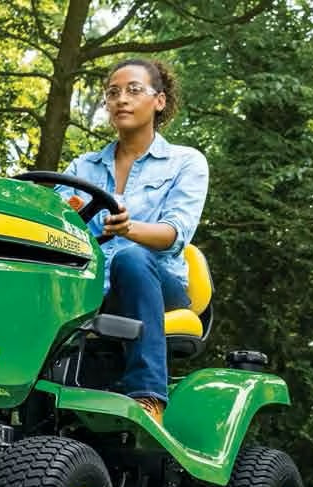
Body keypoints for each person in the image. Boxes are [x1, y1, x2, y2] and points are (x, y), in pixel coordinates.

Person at [56, 58, 208, 423]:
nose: (121, 99)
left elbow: (175, 233)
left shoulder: (185, 163)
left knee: (132, 258)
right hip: (94, 285)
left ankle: (148, 395)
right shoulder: (83, 167)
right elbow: (59, 221)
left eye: (134, 90)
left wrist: (128, 229)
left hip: (160, 283)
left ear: (159, 100)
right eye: (113, 92)